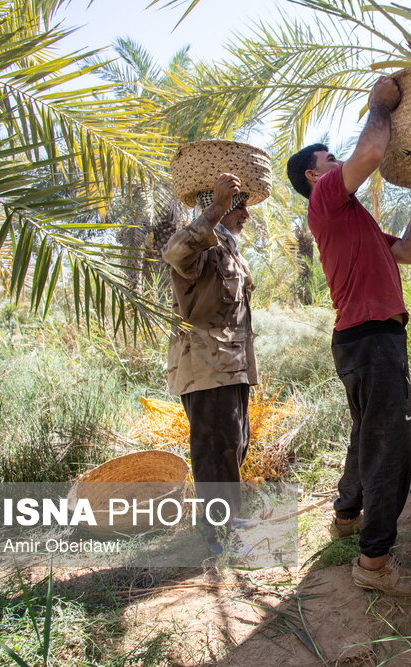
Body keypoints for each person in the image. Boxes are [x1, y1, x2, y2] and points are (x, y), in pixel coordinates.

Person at [286, 76, 411, 598]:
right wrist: (378, 104)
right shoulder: (328, 197)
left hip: (363, 340)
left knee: (366, 434)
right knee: (391, 448)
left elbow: (409, 254)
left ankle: (346, 516)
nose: (339, 162)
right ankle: (374, 563)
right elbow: (373, 149)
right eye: (331, 158)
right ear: (315, 174)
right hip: (373, 341)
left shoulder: (354, 216)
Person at [163, 172, 259, 555]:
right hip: (205, 367)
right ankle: (215, 536)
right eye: (239, 207)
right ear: (215, 206)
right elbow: (176, 252)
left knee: (234, 444)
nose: (245, 215)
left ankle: (228, 520)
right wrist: (218, 207)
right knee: (215, 448)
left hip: (231, 366)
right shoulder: (198, 248)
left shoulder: (230, 248)